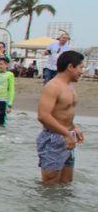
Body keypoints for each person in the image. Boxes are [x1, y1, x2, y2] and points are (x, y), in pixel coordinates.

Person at [36, 50, 85, 184]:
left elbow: (62, 113)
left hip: (68, 136)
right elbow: (43, 116)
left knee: (66, 181)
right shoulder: (52, 86)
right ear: (70, 67)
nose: (82, 71)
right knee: (50, 183)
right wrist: (66, 133)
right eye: (81, 67)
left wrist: (74, 127)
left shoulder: (70, 87)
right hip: (53, 138)